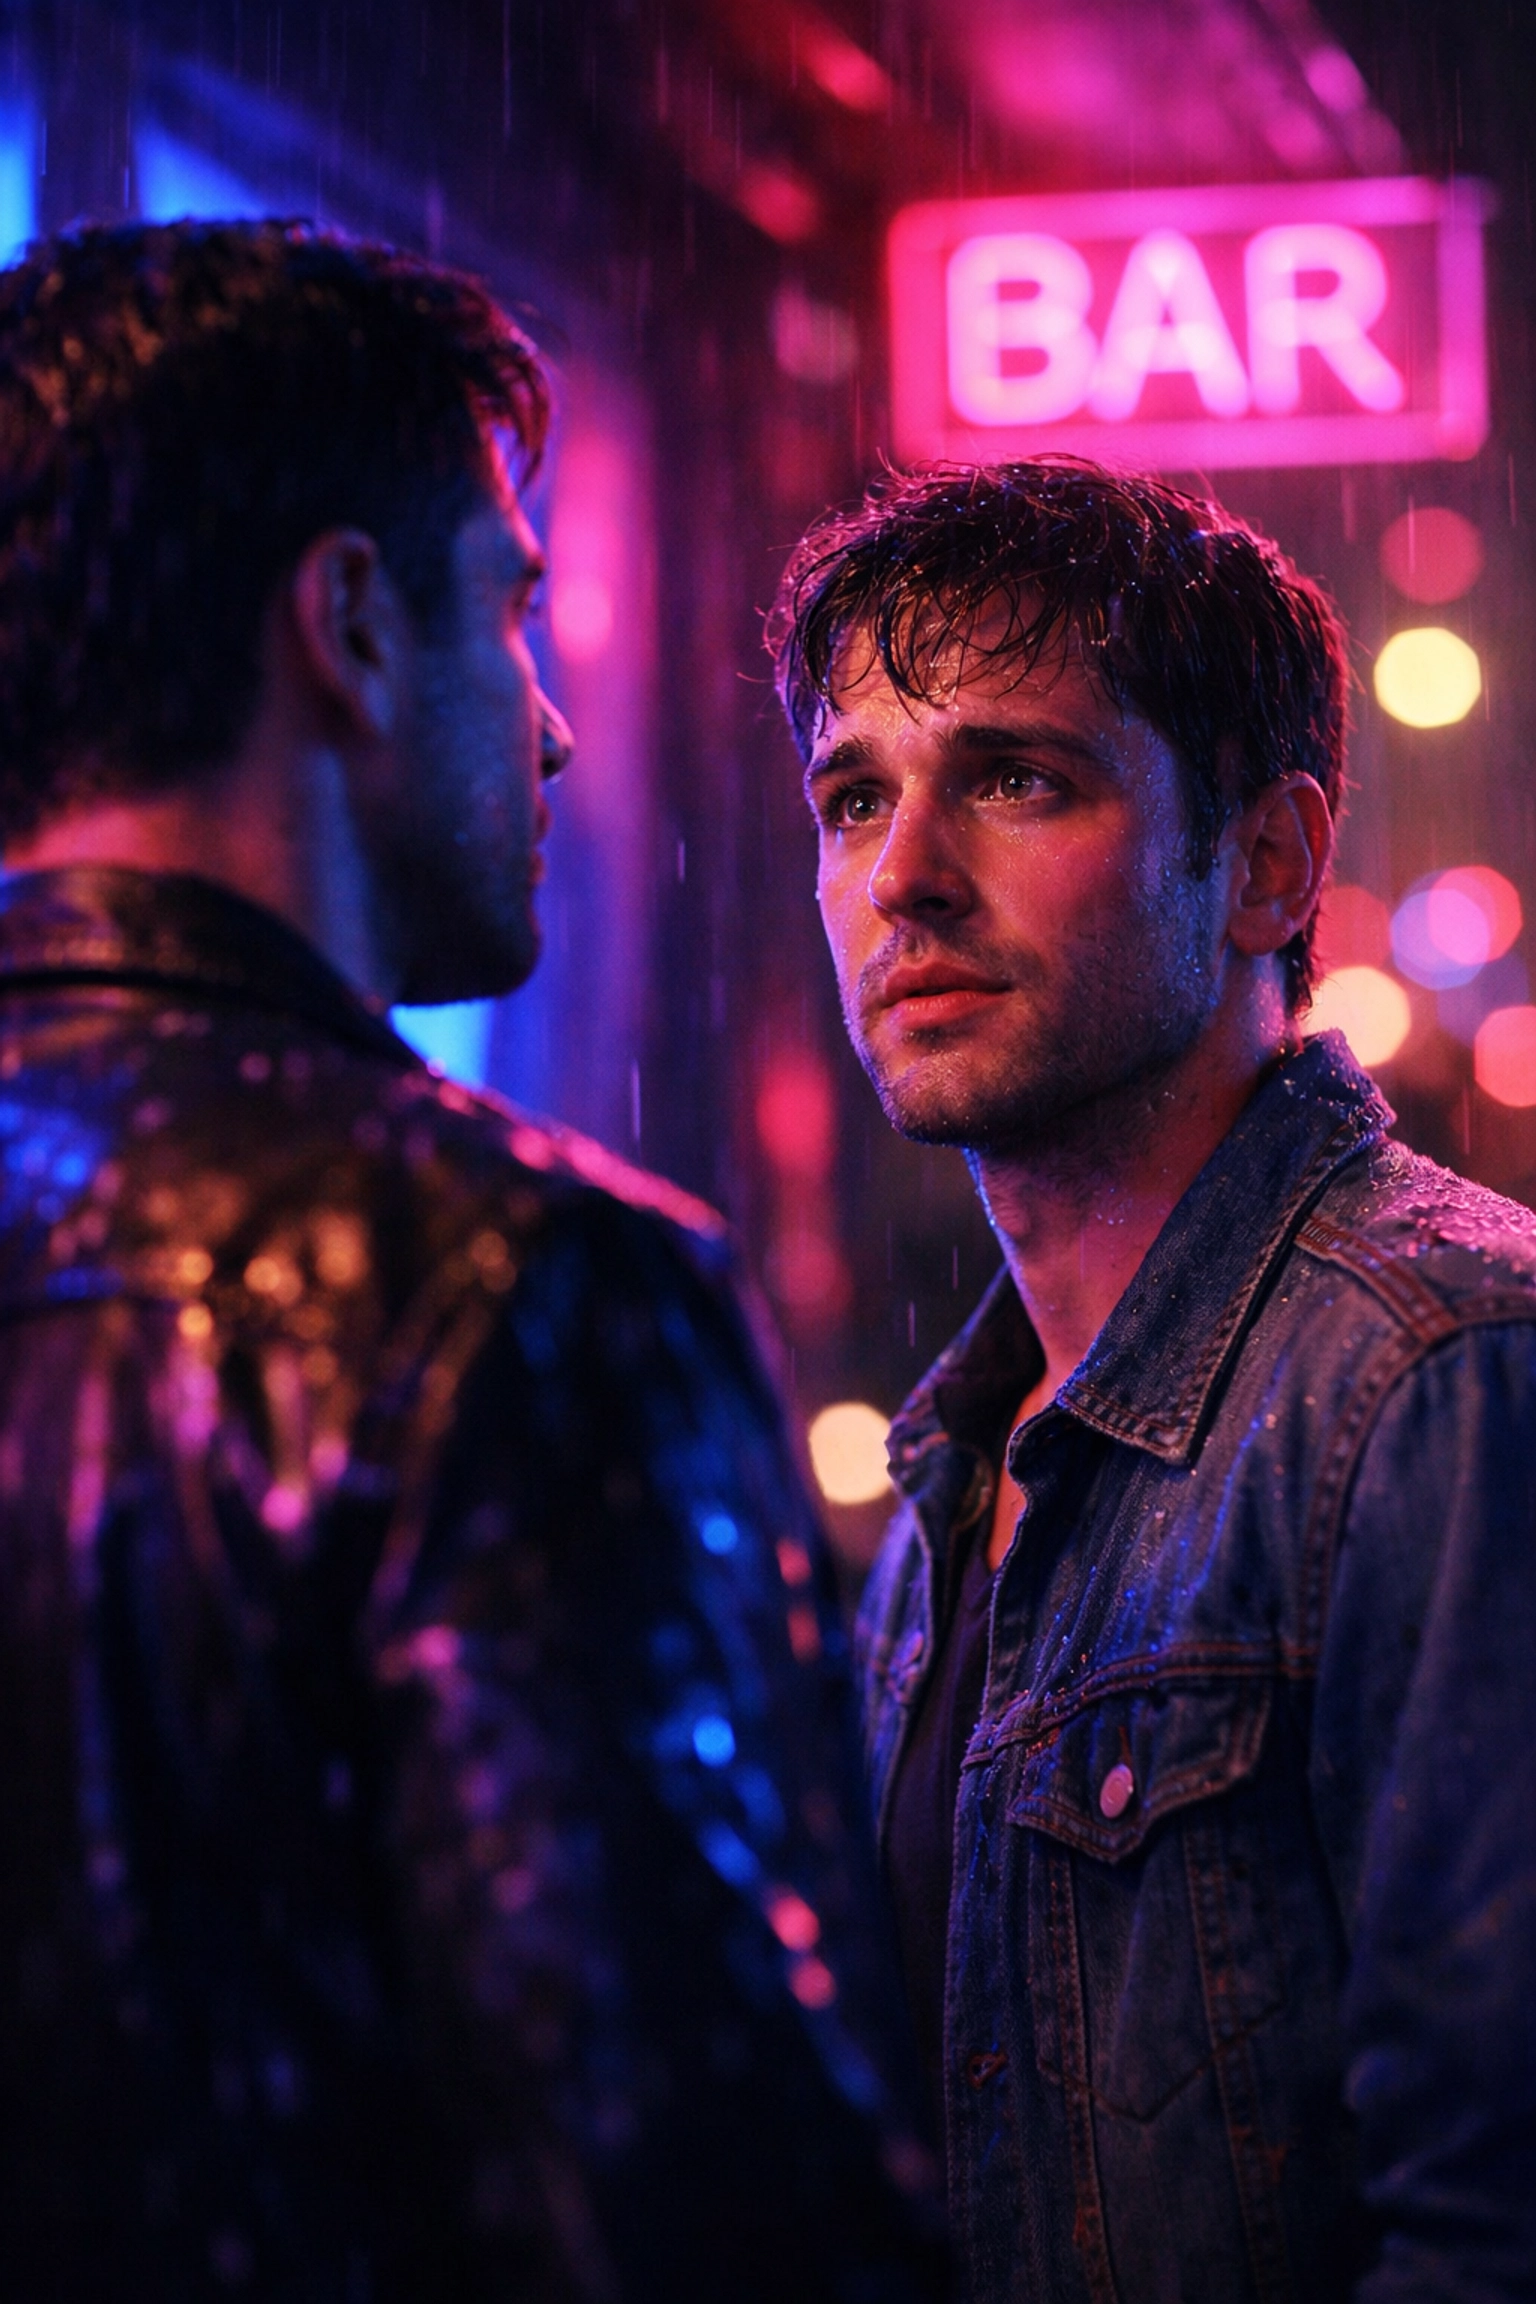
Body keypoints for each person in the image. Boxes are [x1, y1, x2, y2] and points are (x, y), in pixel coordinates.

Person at [0, 219, 943, 2302]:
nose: (551, 732)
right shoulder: (508, 1286)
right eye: (511, 618)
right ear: (348, 623)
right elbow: (703, 2200)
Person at [768, 457, 1536, 2302]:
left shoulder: (1445, 1380)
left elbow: (1498, 2221)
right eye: (854, 796)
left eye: (1017, 779)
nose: (904, 879)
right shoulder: (957, 1467)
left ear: (1269, 860)